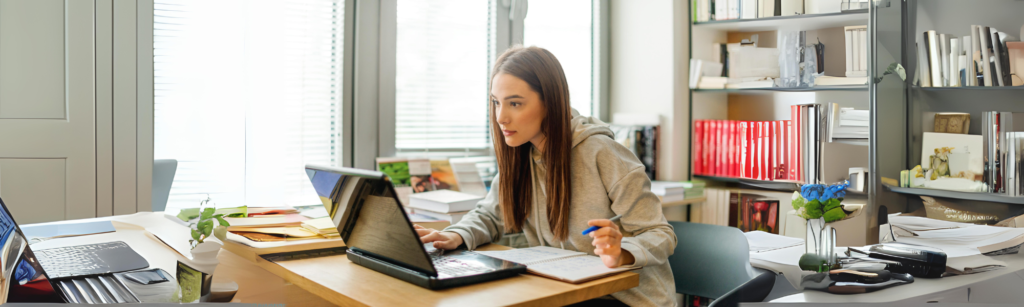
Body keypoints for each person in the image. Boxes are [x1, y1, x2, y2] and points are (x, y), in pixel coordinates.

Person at [416, 46, 677, 307]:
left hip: (626, 297)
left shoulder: (602, 153)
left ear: (550, 102)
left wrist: (621, 253)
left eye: (515, 103)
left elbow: (660, 233)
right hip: (564, 290)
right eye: (497, 102)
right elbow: (491, 215)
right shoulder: (522, 153)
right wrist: (457, 235)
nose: (500, 117)